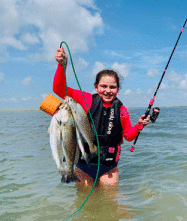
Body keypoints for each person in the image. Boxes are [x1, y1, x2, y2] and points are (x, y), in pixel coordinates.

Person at [53, 47, 150, 187]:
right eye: (103, 86)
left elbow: (129, 136)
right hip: (83, 166)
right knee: (84, 204)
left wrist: (140, 125)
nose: (108, 91)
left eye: (113, 87)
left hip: (109, 168)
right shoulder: (86, 99)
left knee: (109, 204)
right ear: (96, 87)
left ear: (118, 89)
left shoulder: (121, 110)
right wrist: (62, 66)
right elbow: (59, 89)